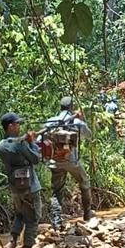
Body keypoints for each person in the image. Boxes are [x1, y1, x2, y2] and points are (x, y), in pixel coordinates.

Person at [39, 96, 94, 227]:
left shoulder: (50, 121)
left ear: (60, 107)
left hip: (55, 161)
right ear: (71, 107)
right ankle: (87, 214)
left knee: (56, 190)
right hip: (72, 161)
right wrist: (81, 120)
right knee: (84, 182)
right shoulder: (76, 122)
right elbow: (89, 135)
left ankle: (56, 222)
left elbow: (40, 140)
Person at [0, 112, 42, 248]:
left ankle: (12, 241)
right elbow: (36, 158)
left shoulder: (1, 146)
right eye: (17, 124)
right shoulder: (20, 144)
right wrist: (32, 142)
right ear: (10, 126)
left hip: (16, 189)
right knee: (33, 218)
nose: (19, 127)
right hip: (30, 187)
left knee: (20, 215)